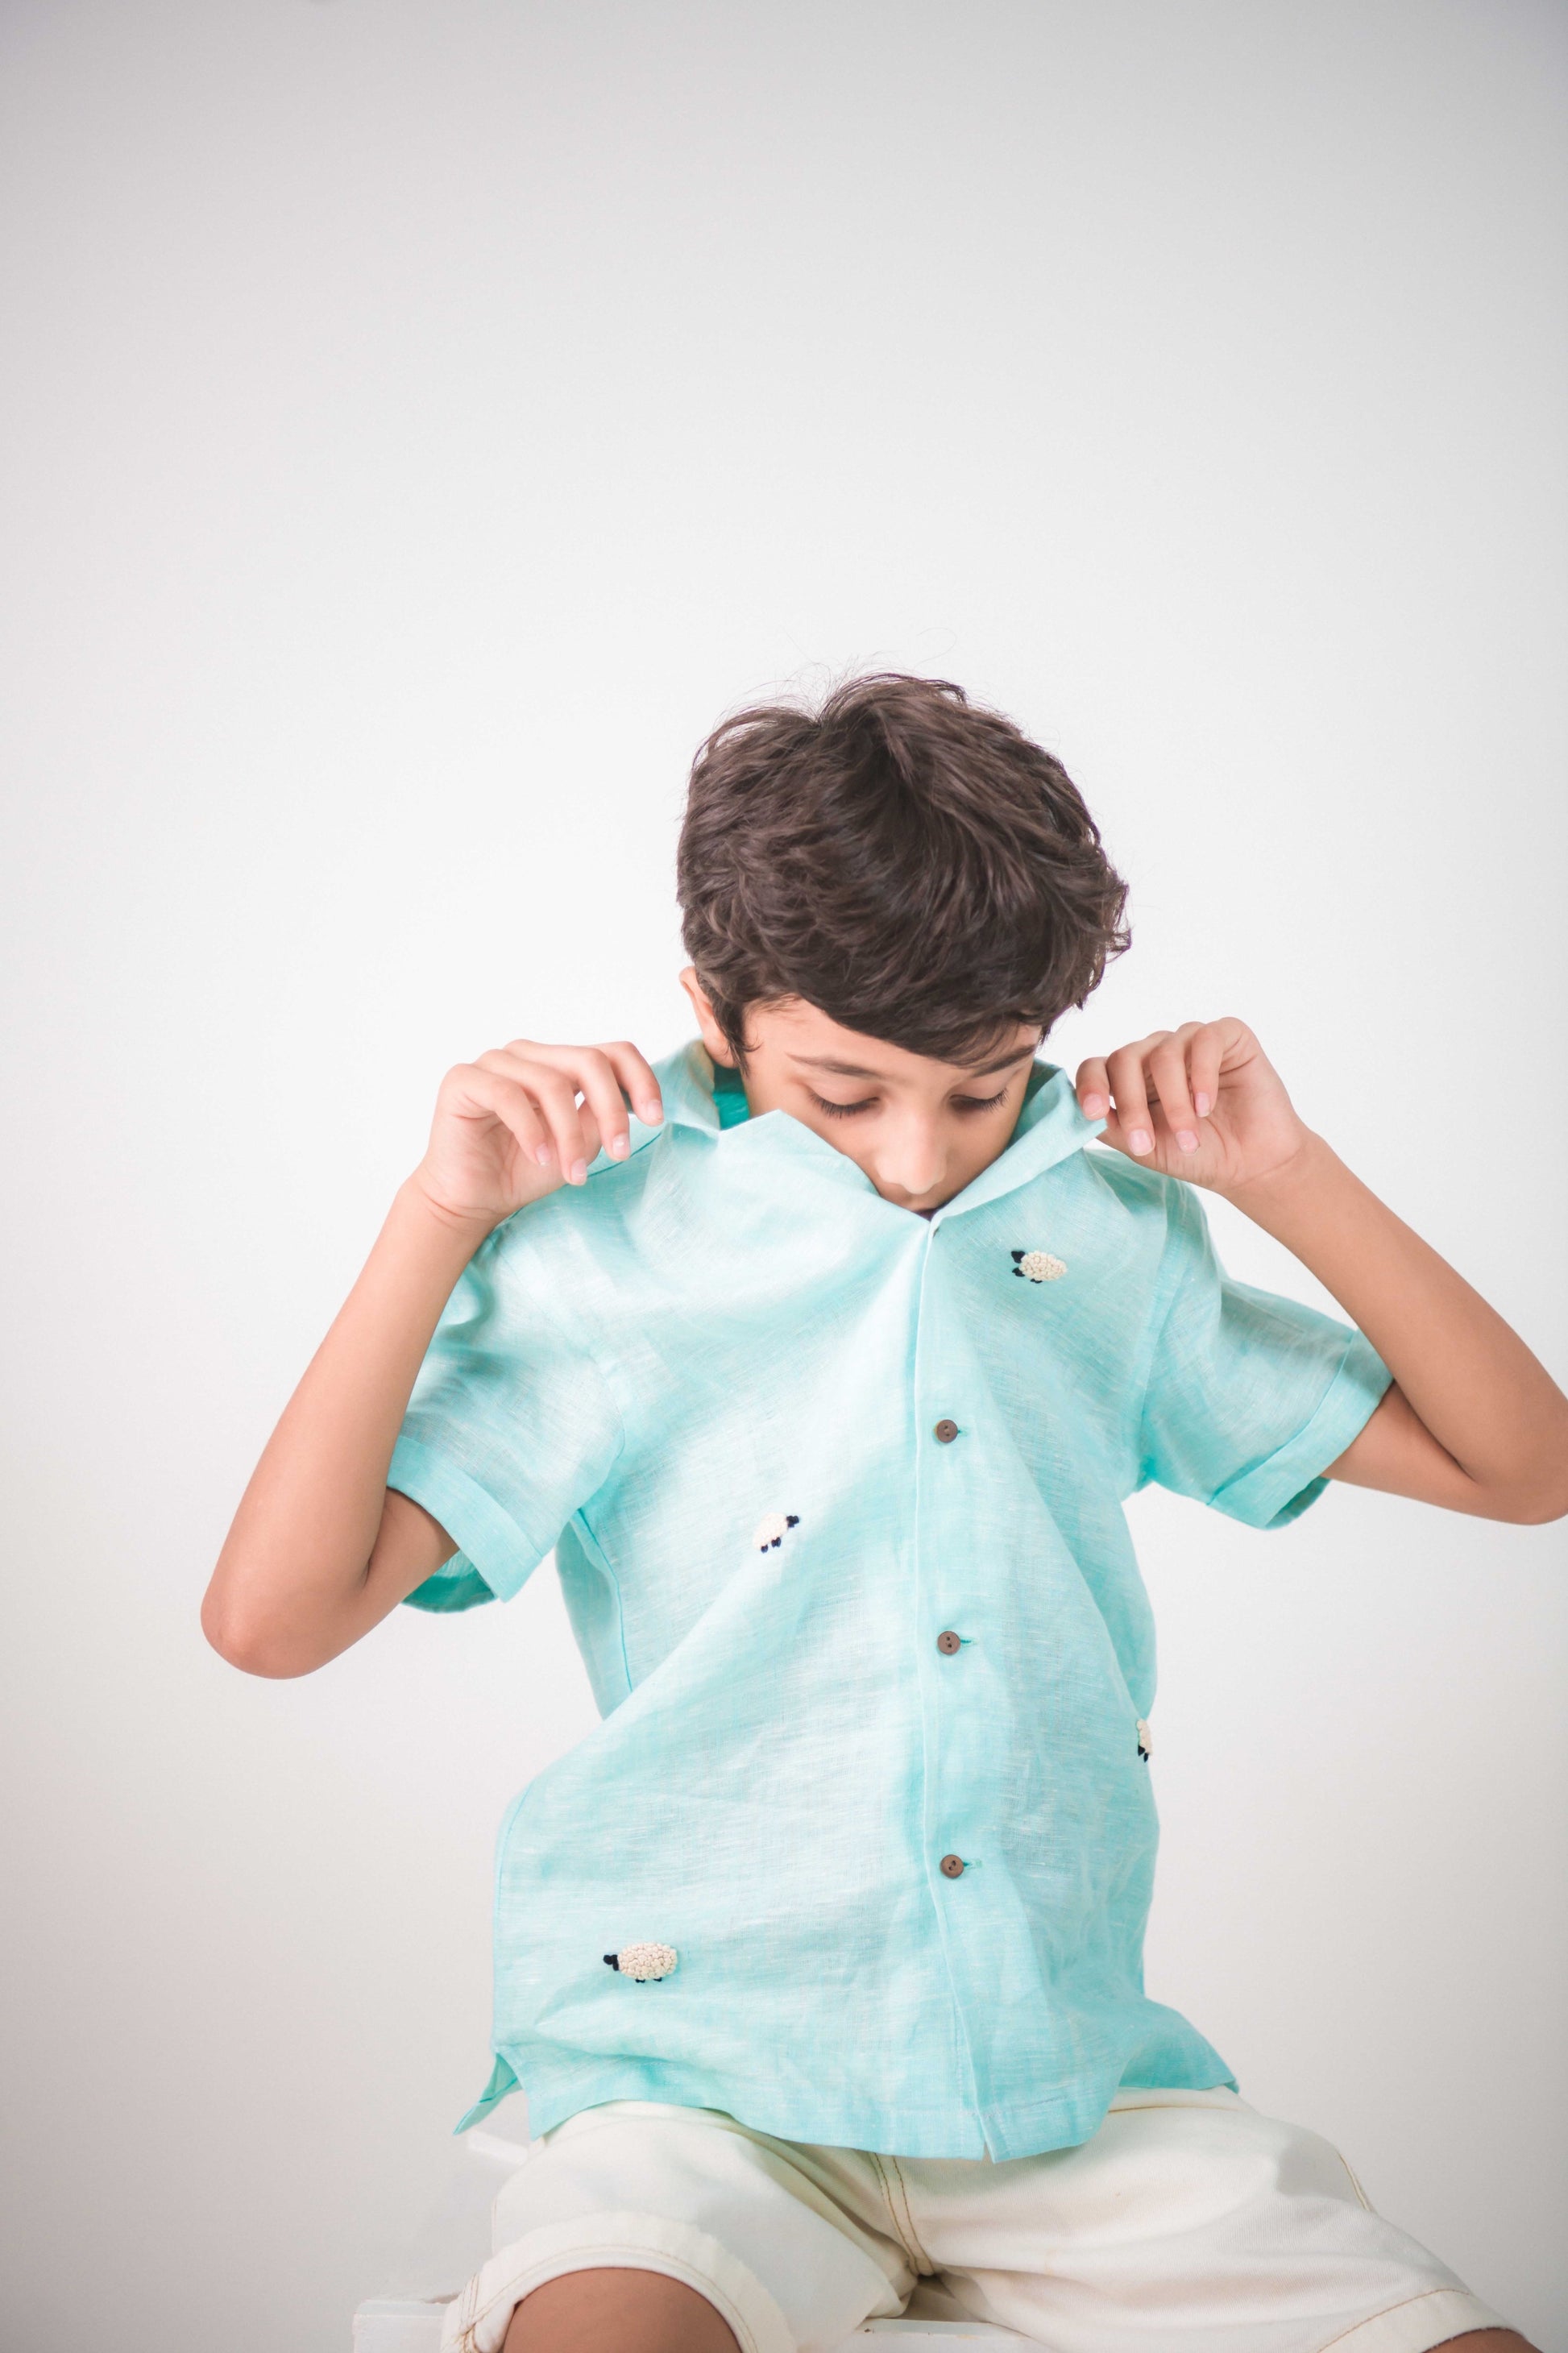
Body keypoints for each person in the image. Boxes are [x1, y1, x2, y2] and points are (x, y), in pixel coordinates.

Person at [205, 675, 1563, 2353]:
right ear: (713, 1008)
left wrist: (1284, 1172)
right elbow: (272, 1618)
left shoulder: (1105, 1226)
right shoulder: (608, 1238)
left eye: (981, 1088)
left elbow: (1523, 1465)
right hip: (697, 2086)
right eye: (841, 1093)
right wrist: (438, 1214)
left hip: (1064, 2087)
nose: (913, 1156)